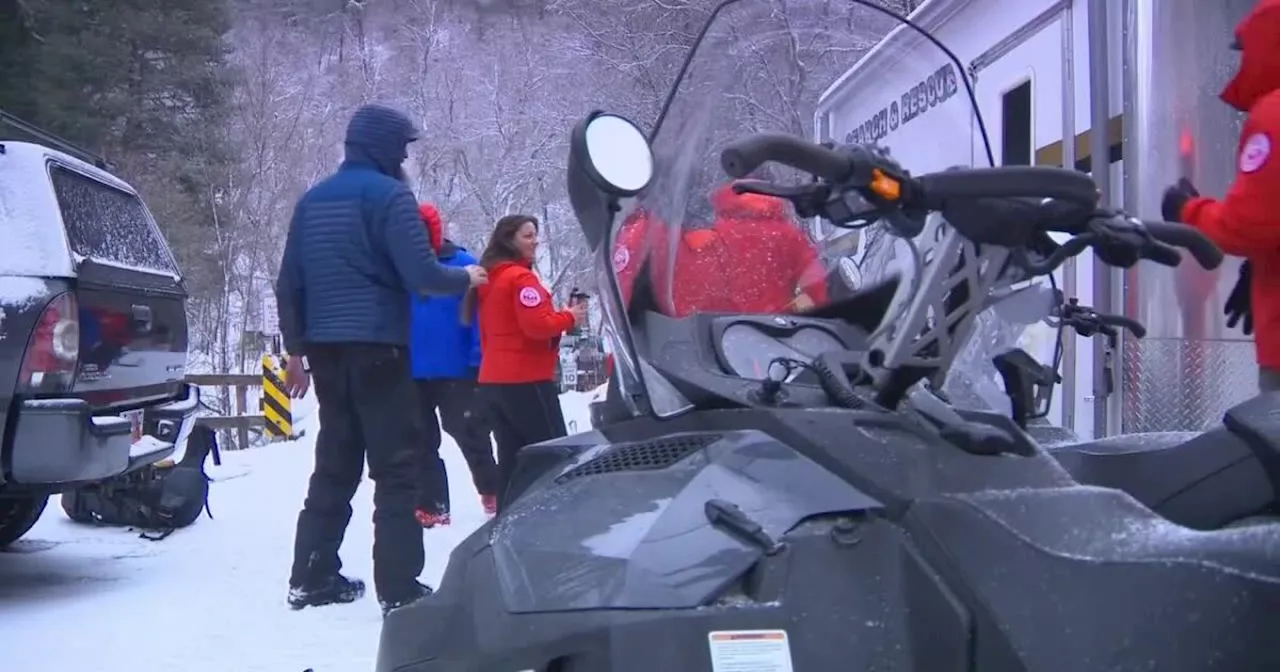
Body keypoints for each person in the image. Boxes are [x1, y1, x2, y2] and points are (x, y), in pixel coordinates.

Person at [275, 103, 487, 615]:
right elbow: (422, 275)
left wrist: (296, 351)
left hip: (326, 353)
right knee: (397, 468)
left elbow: (288, 285)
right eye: (404, 147)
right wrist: (468, 277)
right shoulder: (392, 195)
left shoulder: (312, 201)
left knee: (335, 463)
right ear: (385, 147)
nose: (406, 156)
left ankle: (312, 576)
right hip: (380, 349)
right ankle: (400, 589)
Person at [1161, 0, 1280, 391]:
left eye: (1246, 51)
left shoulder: (1273, 113)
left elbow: (1246, 225)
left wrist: (1187, 211)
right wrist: (1261, 263)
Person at [461, 214, 587, 510]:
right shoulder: (521, 278)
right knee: (554, 452)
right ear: (509, 240)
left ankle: (507, 517)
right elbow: (536, 326)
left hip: (495, 381)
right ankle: (559, 515)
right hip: (525, 380)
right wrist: (569, 317)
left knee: (512, 457)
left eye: (535, 234)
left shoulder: (490, 276)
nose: (536, 241)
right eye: (528, 235)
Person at [409, 202, 500, 526]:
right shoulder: (400, 270)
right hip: (411, 370)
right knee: (420, 439)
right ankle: (433, 505)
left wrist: (478, 357)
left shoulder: (464, 265)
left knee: (469, 431)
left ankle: (492, 489)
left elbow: (481, 316)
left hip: (458, 367)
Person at [614, 181, 829, 317]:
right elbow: (817, 291)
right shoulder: (789, 234)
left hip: (706, 347)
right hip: (774, 345)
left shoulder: (701, 232)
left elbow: (621, 296)